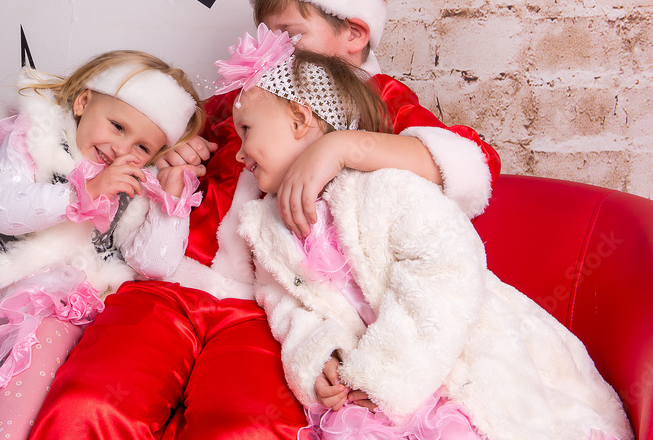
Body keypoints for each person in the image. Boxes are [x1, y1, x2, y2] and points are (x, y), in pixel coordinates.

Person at [31, 0, 502, 438]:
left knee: (246, 428)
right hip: (174, 282)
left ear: (355, 35)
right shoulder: (250, 92)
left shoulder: (381, 99)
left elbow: (469, 164)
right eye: (267, 33)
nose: (274, 47)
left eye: (290, 33)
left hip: (267, 310)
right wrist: (176, 151)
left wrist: (339, 147)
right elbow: (158, 145)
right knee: (90, 403)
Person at [213, 26, 633, 439]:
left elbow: (446, 268)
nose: (240, 150)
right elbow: (288, 306)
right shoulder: (267, 228)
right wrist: (321, 353)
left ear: (301, 119)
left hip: (448, 362)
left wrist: (388, 370)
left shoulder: (383, 185)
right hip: (363, 389)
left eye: (247, 130)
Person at [0, 50, 205, 440]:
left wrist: (172, 202)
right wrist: (81, 194)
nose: (123, 150)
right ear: (84, 102)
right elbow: (2, 209)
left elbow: (154, 264)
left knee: (40, 356)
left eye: (142, 147)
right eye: (118, 126)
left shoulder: (133, 184)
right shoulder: (36, 133)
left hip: (57, 298)